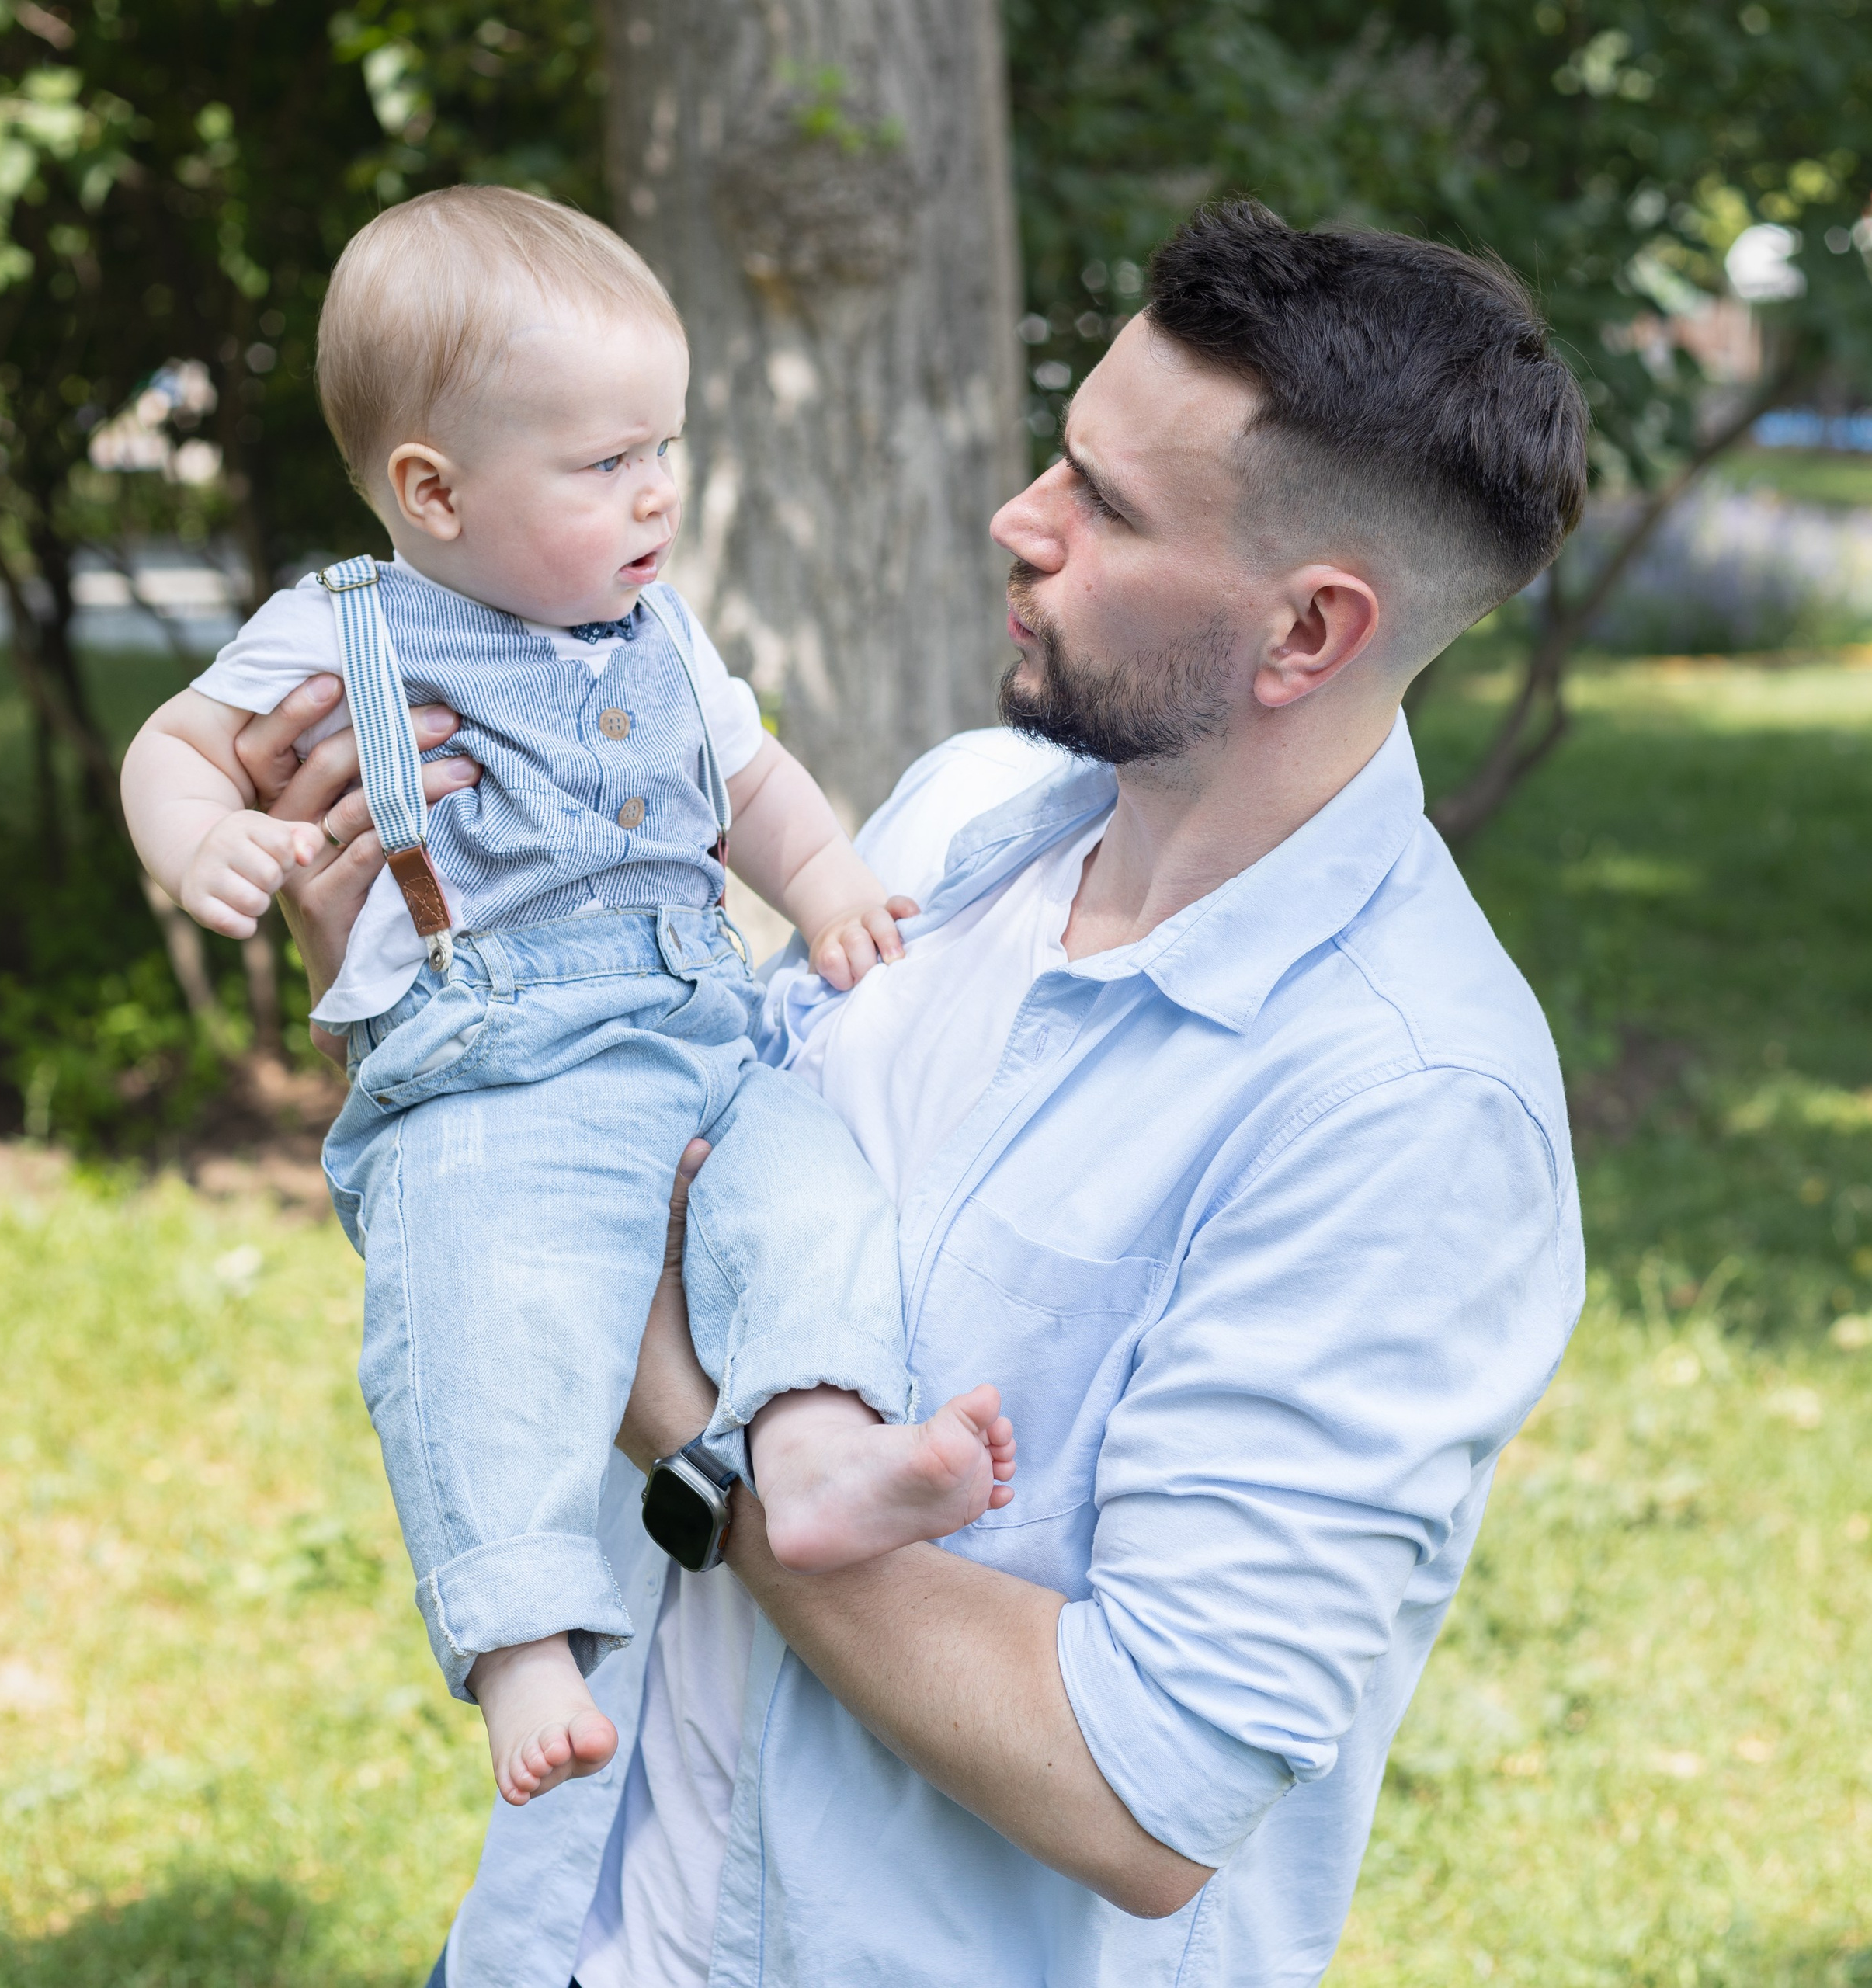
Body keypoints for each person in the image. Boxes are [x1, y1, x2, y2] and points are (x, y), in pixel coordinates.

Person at [237, 200, 1589, 1987]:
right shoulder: (961, 820)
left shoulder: (1404, 1113)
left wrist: (688, 1427)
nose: (1015, 519)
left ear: (1308, 629)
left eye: (1103, 506)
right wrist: (429, 985)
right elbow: (638, 1148)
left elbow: (1143, 1793)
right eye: (1061, 456)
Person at [119, 186, 1015, 1816]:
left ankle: (814, 1455)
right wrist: (211, 842)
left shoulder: (657, 627)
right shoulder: (347, 632)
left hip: (702, 1036)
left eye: (662, 446)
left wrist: (817, 885)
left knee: (811, 1200)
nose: (656, 491)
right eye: (603, 465)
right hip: (491, 1068)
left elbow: (753, 782)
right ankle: (520, 1625)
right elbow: (172, 746)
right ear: (431, 489)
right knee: (485, 1296)